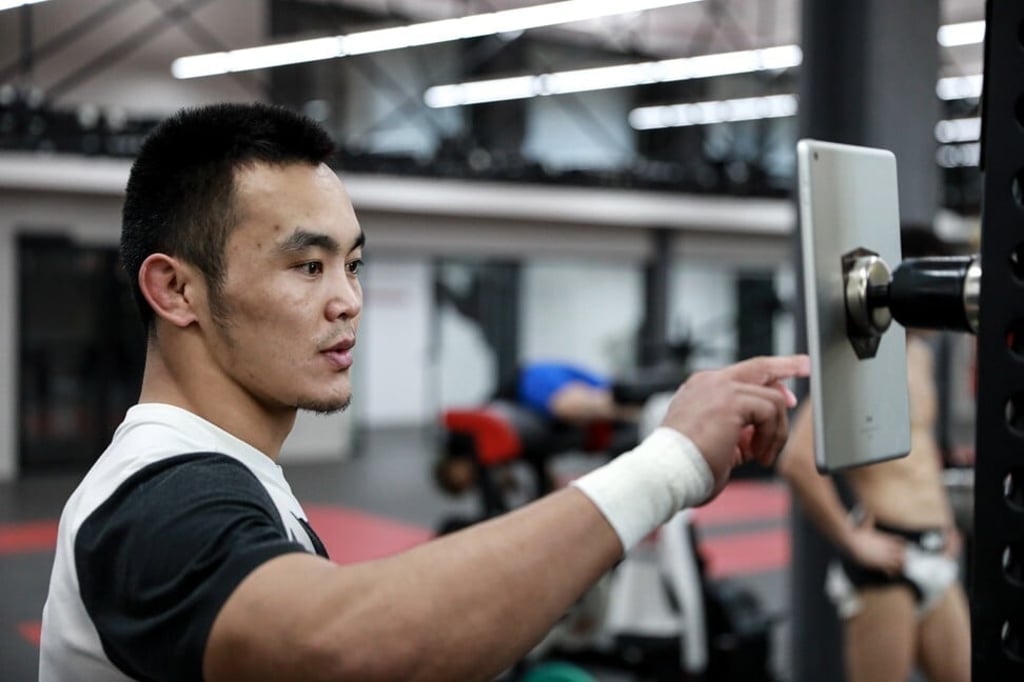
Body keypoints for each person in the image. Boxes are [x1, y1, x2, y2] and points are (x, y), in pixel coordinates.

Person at [39, 101, 809, 682]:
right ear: (176, 291)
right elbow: (338, 645)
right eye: (308, 266)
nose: (348, 300)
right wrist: (669, 464)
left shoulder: (235, 479)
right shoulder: (158, 497)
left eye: (354, 264)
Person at [777, 231, 971, 682]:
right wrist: (852, 539)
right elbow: (797, 461)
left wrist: (945, 522)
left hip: (935, 552)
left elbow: (919, 455)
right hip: (887, 559)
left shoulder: (919, 355)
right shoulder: (861, 358)